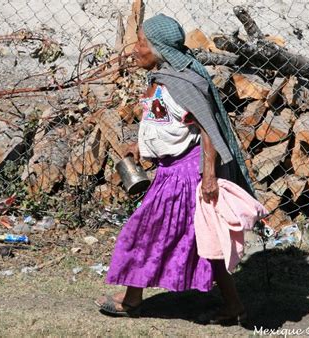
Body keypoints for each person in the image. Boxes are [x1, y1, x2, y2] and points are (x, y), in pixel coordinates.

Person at [95, 13, 254, 325]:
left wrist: (209, 175)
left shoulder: (183, 83)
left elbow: (208, 129)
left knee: (143, 230)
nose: (135, 48)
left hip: (186, 175)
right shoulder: (164, 79)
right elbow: (166, 123)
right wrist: (142, 147)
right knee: (203, 238)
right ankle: (233, 306)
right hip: (171, 171)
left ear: (157, 46)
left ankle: (132, 300)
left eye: (140, 42)